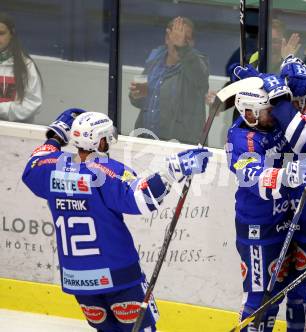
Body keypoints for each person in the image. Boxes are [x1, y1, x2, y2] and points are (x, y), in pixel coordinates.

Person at [22, 108, 211, 332]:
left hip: (77, 278)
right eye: (107, 137)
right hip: (117, 275)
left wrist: (55, 137)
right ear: (100, 141)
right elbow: (143, 199)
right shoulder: (106, 172)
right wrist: (172, 170)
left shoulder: (52, 167)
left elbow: (33, 165)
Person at [227, 58, 306, 331]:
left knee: (290, 291)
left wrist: (266, 80)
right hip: (259, 228)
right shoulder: (242, 139)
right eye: (268, 111)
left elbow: (279, 95)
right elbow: (254, 178)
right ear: (249, 113)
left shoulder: (267, 121)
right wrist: (289, 175)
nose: (275, 115)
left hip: (287, 221)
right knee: (261, 299)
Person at [129, 16, 209, 145]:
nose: (181, 41)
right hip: (145, 142)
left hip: (178, 148)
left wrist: (182, 48)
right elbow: (141, 102)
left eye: (186, 39)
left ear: (192, 43)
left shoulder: (198, 63)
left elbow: (200, 77)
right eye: (177, 37)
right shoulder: (154, 60)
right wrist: (135, 96)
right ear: (167, 38)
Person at [0, 13, 43, 122]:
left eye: (1, 33)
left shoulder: (26, 66)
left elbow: (32, 104)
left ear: (12, 34)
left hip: (14, 133)